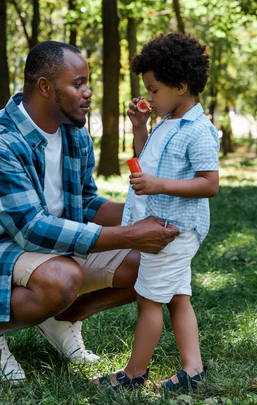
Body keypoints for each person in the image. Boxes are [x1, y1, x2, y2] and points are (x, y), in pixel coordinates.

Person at [0, 41, 178, 382]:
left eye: (88, 82)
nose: (88, 92)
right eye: (78, 83)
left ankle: (63, 319)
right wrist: (132, 233)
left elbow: (85, 202)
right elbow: (31, 230)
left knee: (151, 260)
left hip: (56, 245)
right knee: (62, 278)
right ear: (45, 86)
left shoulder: (75, 134)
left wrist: (149, 215)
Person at [94, 33, 219, 391]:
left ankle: (134, 374)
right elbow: (146, 161)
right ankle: (193, 369)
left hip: (173, 231)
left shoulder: (198, 130)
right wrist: (138, 129)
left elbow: (210, 184)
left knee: (148, 301)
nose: (149, 97)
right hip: (163, 227)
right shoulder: (167, 123)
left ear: (180, 86)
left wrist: (159, 186)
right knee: (179, 297)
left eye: (154, 89)